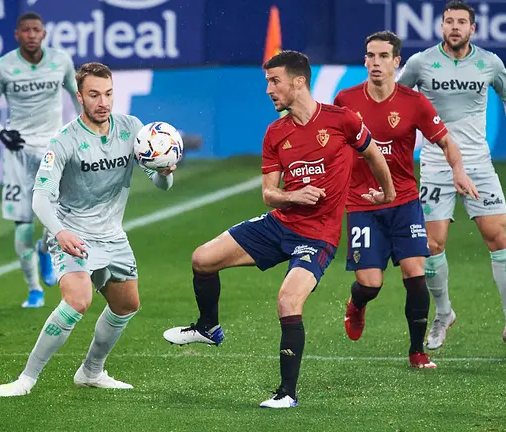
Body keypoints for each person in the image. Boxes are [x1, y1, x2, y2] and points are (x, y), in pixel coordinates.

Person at [162, 50, 395, 408]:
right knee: (202, 259)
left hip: (317, 236)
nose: (269, 90)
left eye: (275, 81)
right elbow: (269, 194)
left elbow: (373, 153)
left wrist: (388, 193)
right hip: (280, 224)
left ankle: (287, 394)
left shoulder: (342, 120)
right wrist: (295, 194)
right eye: (267, 82)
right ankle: (208, 327)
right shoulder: (275, 133)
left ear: (299, 82)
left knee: (288, 298)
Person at [0, 62, 176, 397]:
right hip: (73, 233)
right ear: (79, 97)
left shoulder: (131, 128)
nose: (103, 101)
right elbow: (40, 199)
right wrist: (59, 233)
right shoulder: (64, 140)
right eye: (94, 94)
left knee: (127, 305)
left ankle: (91, 371)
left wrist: (164, 172)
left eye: (108, 94)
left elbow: (160, 184)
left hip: (113, 236)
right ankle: (26, 379)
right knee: (78, 301)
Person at [334, 31, 478, 368]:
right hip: (362, 204)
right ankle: (357, 306)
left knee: (416, 274)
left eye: (383, 56)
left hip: (403, 202)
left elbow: (446, 142)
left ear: (397, 61)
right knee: (370, 284)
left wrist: (458, 170)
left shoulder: (414, 103)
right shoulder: (346, 100)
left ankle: (417, 351)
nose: (375, 63)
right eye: (370, 56)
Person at [396, 1, 506, 351]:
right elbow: (397, 99)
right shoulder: (420, 63)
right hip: (437, 165)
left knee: (496, 237)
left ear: (473, 29)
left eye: (461, 22)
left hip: (478, 165)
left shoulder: (489, 62)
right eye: (449, 21)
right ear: (441, 26)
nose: (454, 27)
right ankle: (443, 315)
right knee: (431, 245)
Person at [0, 12, 81, 308]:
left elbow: (77, 97)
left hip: (53, 148)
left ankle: (47, 251)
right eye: (26, 30)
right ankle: (34, 289)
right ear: (17, 35)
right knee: (23, 225)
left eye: (37, 30)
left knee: (55, 216)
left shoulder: (61, 61)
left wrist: (80, 131)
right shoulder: (3, 67)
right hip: (18, 153)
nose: (32, 35)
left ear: (44, 34)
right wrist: (2, 133)